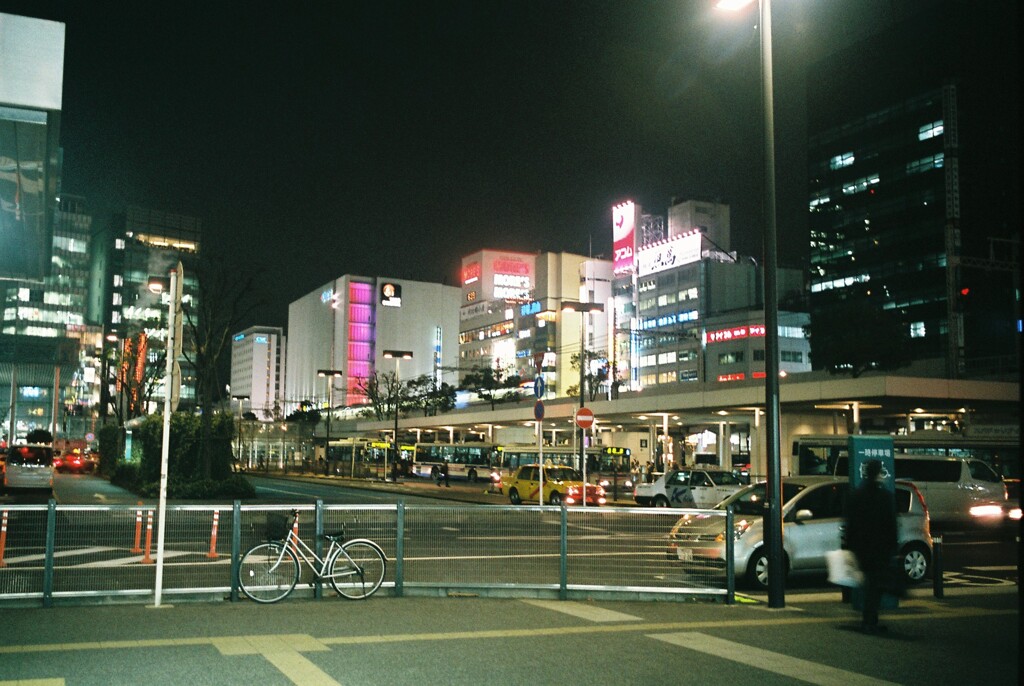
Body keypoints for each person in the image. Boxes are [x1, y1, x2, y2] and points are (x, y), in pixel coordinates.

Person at [844, 459, 898, 634]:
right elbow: (890, 525)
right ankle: (870, 620)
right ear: (878, 472)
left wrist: (849, 545)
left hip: (861, 548)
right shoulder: (884, 497)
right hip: (879, 549)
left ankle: (868, 619)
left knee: (869, 584)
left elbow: (850, 523)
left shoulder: (857, 495)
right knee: (876, 586)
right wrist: (893, 548)